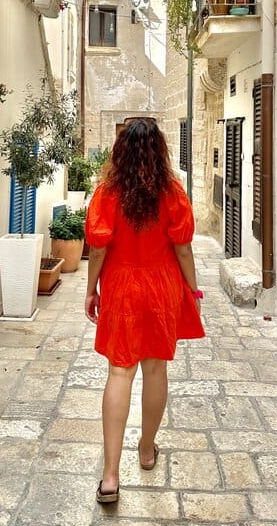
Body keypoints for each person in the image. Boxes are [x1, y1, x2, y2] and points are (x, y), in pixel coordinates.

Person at [84, 117, 205, 504]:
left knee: (120, 372)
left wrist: (91, 290)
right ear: (160, 151)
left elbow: (99, 247)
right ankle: (147, 448)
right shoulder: (171, 191)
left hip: (121, 286)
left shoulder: (107, 192)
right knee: (156, 368)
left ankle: (110, 476)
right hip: (161, 285)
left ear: (119, 151)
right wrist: (191, 286)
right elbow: (183, 247)